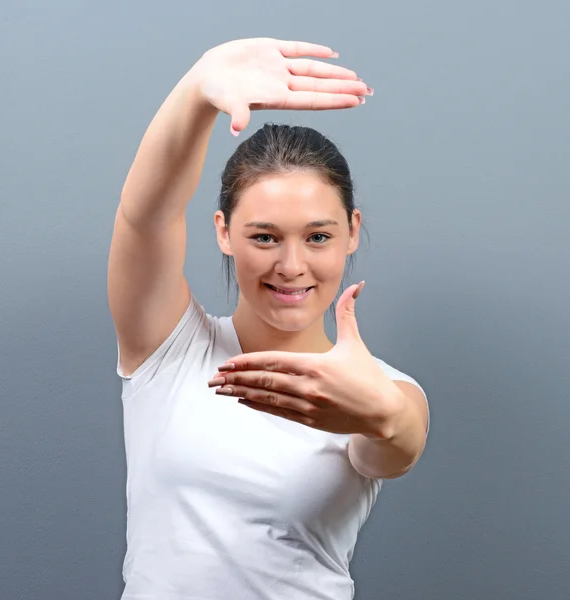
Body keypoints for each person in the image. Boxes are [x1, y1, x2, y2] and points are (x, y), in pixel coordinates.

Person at [107, 37, 430, 600]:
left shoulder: (384, 387)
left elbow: (398, 440)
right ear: (224, 232)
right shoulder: (169, 349)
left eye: (318, 237)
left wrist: (381, 415)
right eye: (264, 237)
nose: (291, 265)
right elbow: (145, 218)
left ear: (351, 231)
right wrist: (196, 90)